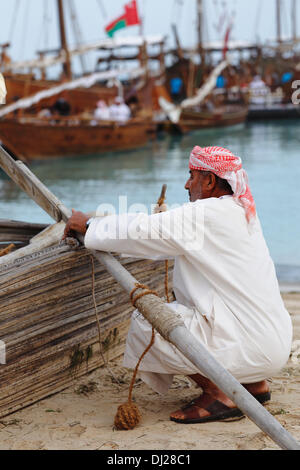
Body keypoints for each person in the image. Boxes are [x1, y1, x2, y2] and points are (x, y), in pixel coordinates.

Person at [63, 146, 292, 424]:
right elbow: (159, 234)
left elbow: (141, 230)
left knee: (149, 323)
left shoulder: (206, 214)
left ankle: (219, 393)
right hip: (274, 344)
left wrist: (88, 224)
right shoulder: (239, 211)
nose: (186, 184)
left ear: (209, 181)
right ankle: (254, 384)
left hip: (252, 346)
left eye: (192, 176)